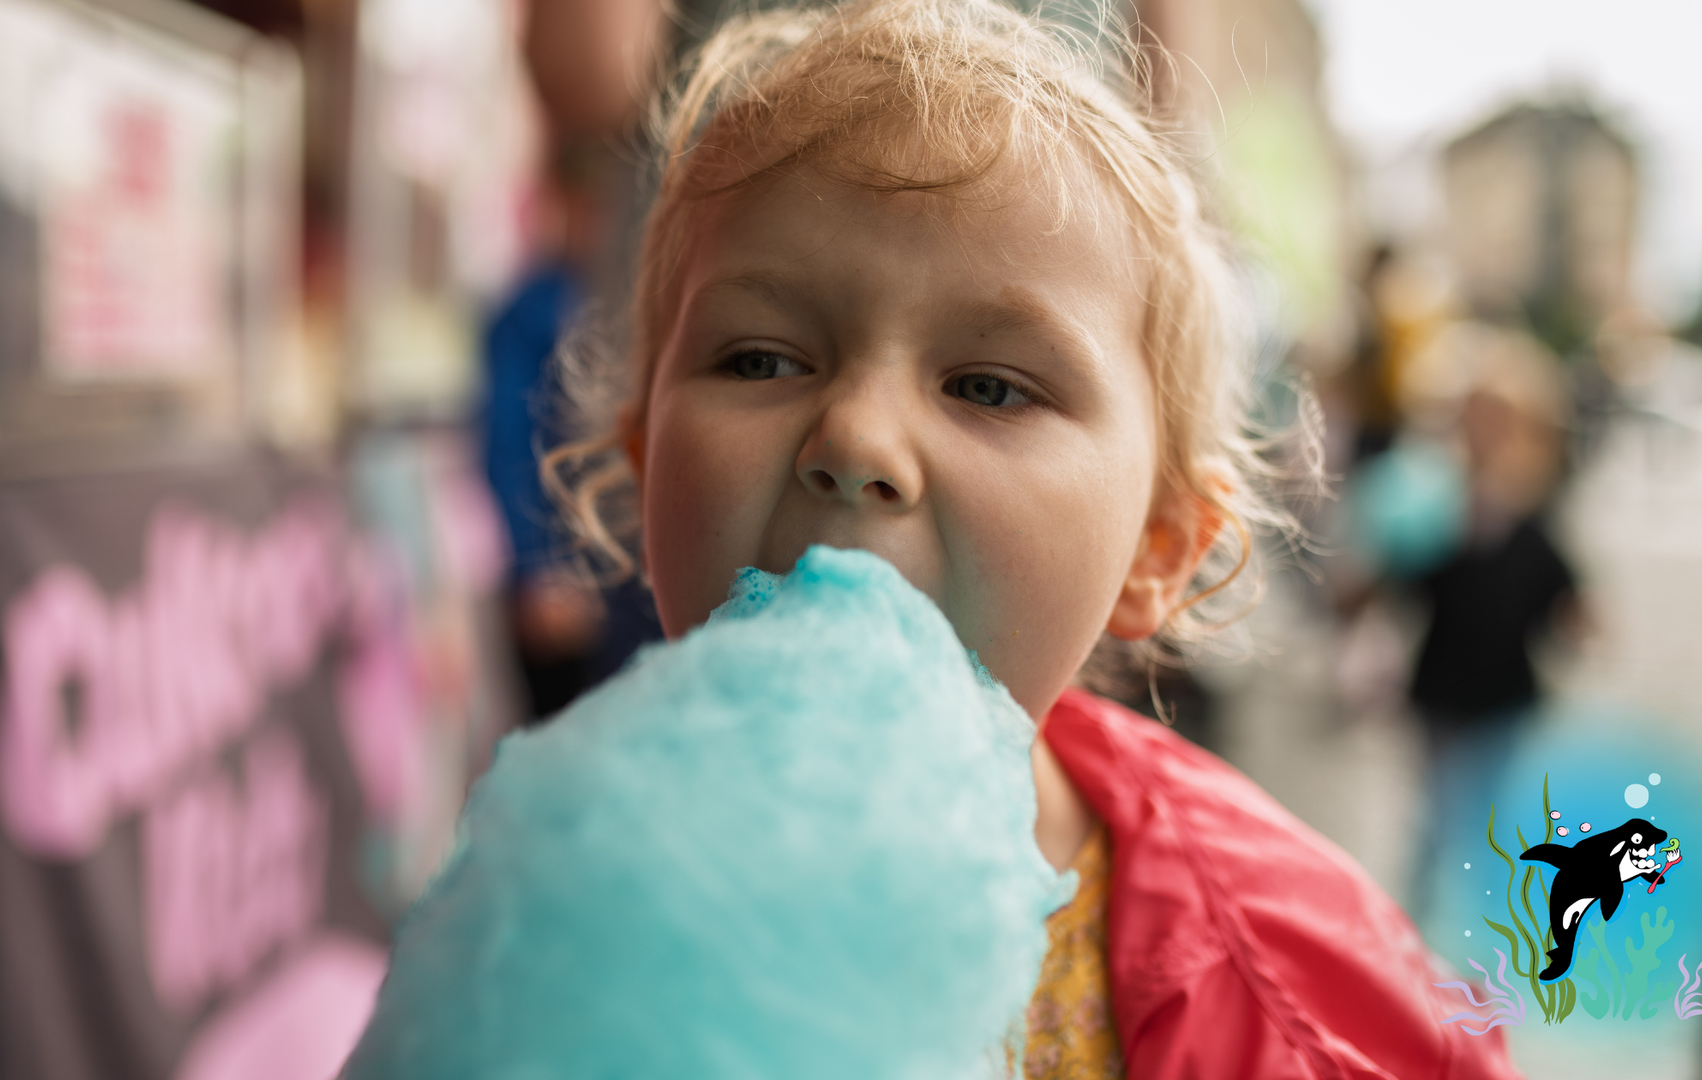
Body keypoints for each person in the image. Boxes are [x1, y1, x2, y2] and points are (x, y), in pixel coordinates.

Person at [545, 1, 1525, 1075]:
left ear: (1156, 548)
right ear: (646, 467)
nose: (857, 439)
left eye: (987, 387)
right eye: (762, 361)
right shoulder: (557, 895)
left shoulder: (1302, 994)